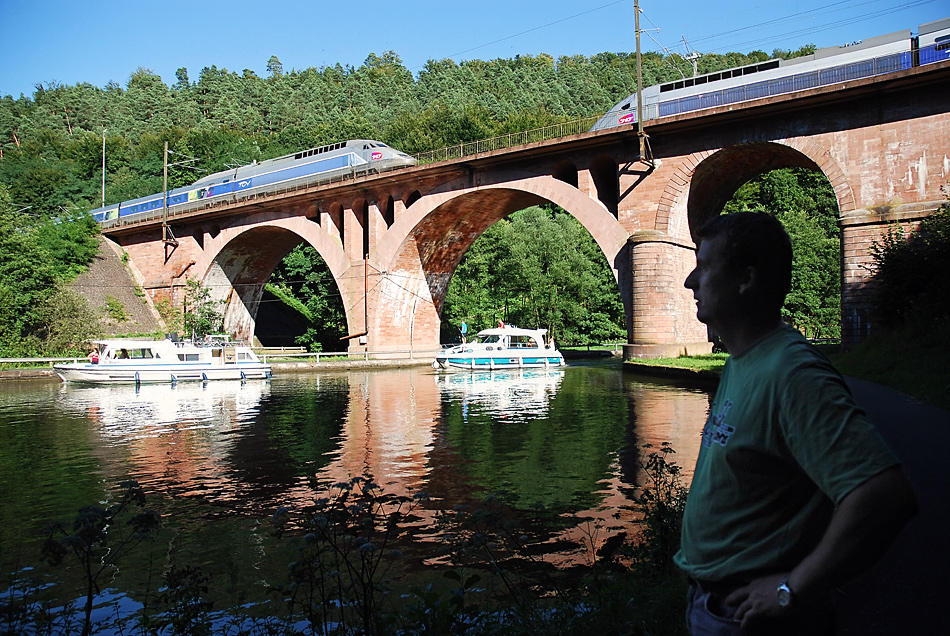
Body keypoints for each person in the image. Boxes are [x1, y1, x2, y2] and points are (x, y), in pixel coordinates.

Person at [676, 212, 917, 636]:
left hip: (755, 618)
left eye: (704, 266)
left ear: (745, 279)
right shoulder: (744, 358)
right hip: (717, 604)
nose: (690, 282)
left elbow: (884, 494)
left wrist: (792, 588)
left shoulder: (794, 374)